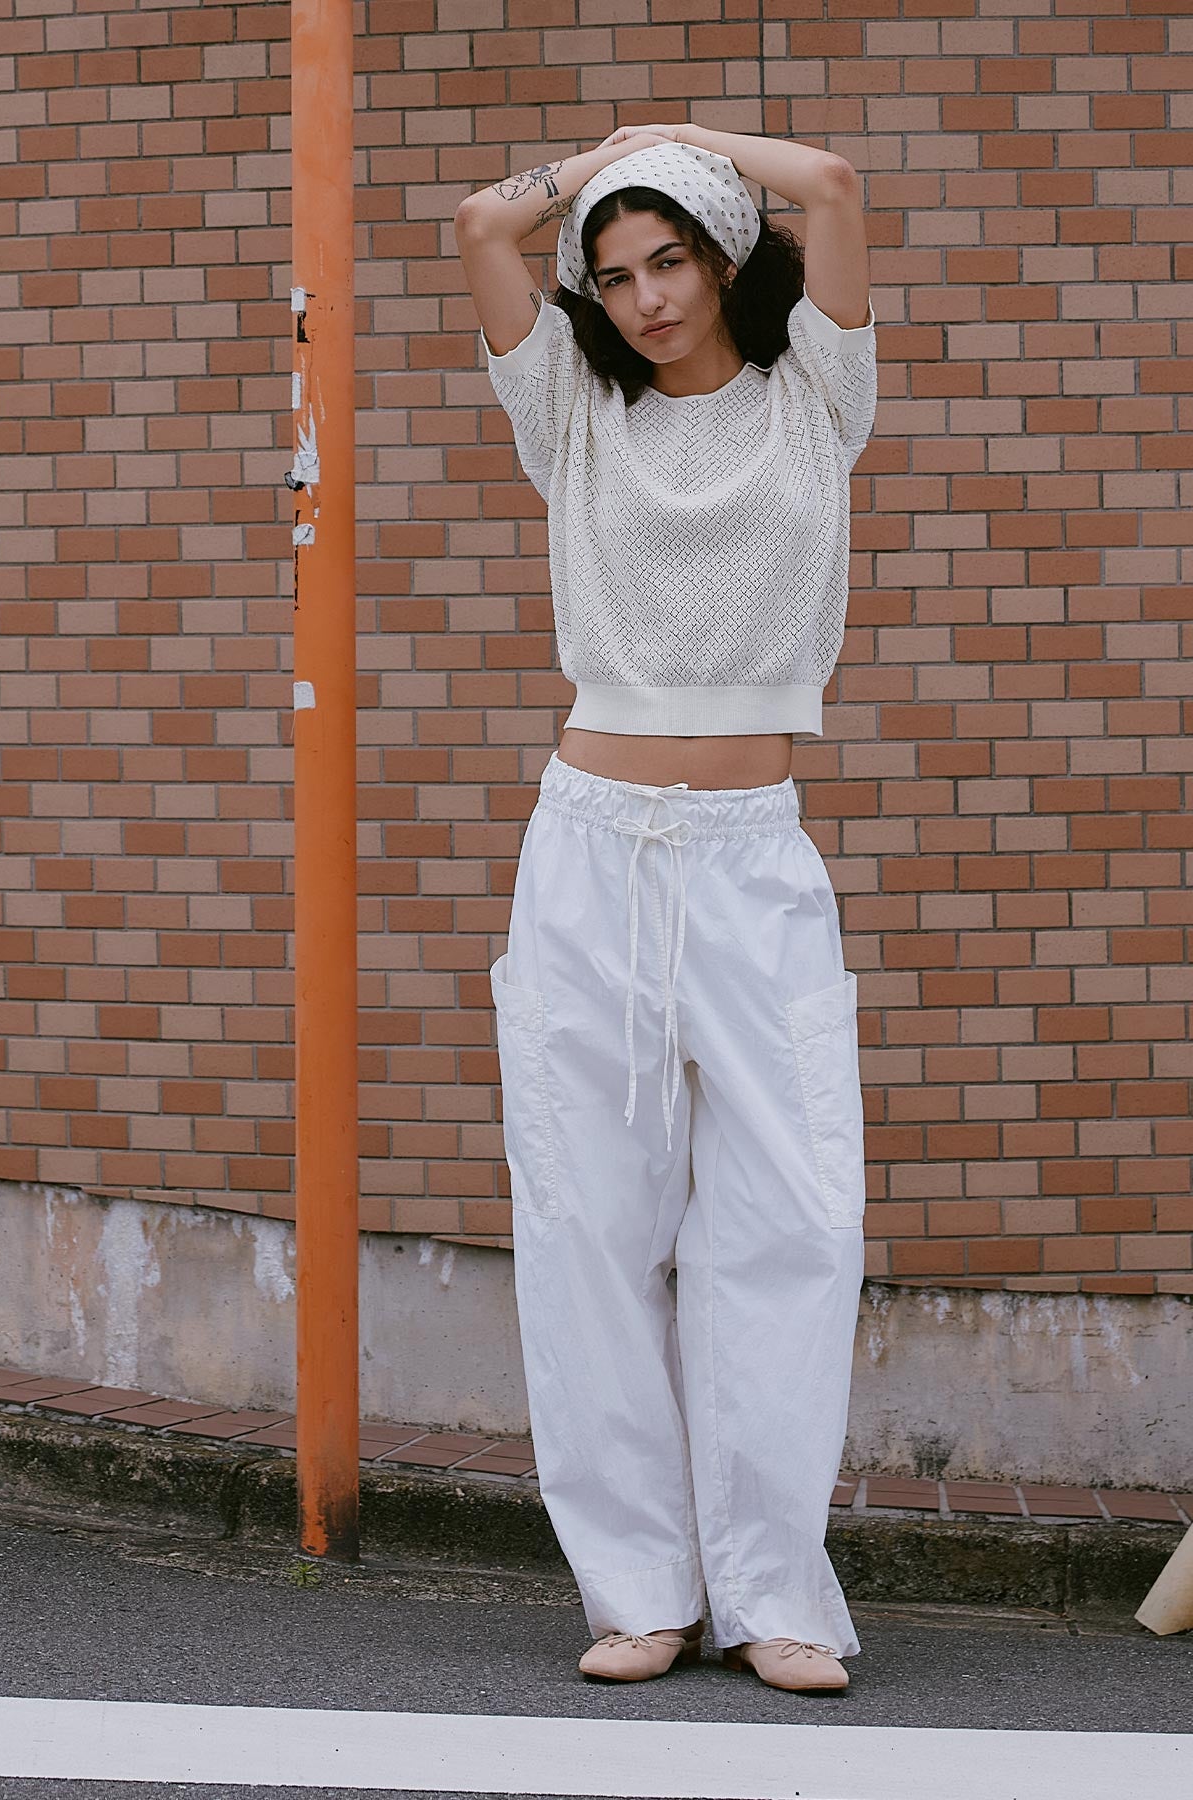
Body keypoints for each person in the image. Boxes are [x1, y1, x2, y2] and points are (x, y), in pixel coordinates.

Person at [454, 125, 878, 1694]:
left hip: (754, 855)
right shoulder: (568, 409)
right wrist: (584, 178)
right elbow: (476, 224)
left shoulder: (821, 397)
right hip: (590, 849)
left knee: (796, 1220)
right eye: (615, 273)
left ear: (720, 254)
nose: (643, 297)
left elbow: (829, 186)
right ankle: (640, 1586)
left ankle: (777, 1594)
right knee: (589, 1222)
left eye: (671, 257)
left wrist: (669, 146)